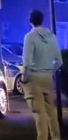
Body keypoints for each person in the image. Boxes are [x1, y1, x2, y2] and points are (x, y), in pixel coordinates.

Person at [22, 10, 62, 140]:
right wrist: (50, 70)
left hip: (34, 78)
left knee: (39, 114)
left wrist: (24, 78)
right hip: (47, 78)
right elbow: (59, 61)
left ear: (30, 21)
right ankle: (56, 137)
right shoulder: (52, 37)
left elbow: (27, 62)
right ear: (42, 20)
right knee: (51, 113)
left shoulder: (30, 37)